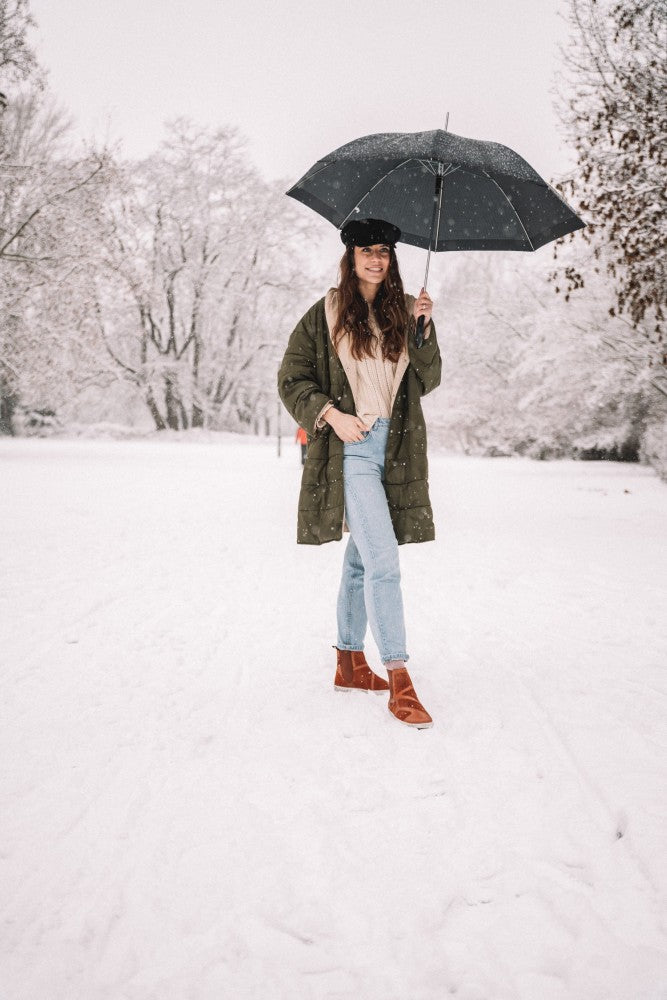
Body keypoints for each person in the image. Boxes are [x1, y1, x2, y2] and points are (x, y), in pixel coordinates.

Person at [277, 218, 441, 729]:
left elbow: (426, 380)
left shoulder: (401, 315)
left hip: (395, 451)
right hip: (350, 450)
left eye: (385, 251)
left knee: (363, 560)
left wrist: (424, 329)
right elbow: (291, 379)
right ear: (350, 257)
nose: (376, 259)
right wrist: (330, 414)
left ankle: (349, 662)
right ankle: (400, 678)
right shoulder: (324, 313)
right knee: (384, 561)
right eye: (367, 250)